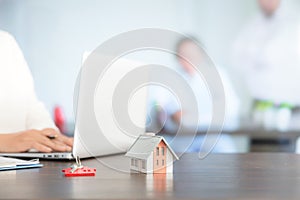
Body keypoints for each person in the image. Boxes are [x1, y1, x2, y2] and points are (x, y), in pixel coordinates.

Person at [149, 36, 240, 153]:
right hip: (181, 140)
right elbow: (158, 106)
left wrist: (192, 117)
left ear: (201, 54)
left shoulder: (218, 74)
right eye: (182, 55)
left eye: (191, 54)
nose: (186, 59)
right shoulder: (170, 77)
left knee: (226, 158)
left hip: (214, 138)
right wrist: (170, 115)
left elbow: (231, 109)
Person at [0, 30, 73, 153]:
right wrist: (5, 141)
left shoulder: (6, 41)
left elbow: (30, 105)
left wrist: (49, 137)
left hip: (24, 164)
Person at [232, 0, 300, 125]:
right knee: (258, 143)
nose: (263, 2)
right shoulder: (252, 24)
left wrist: (257, 56)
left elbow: (270, 55)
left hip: (290, 107)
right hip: (259, 105)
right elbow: (238, 59)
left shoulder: (294, 21)